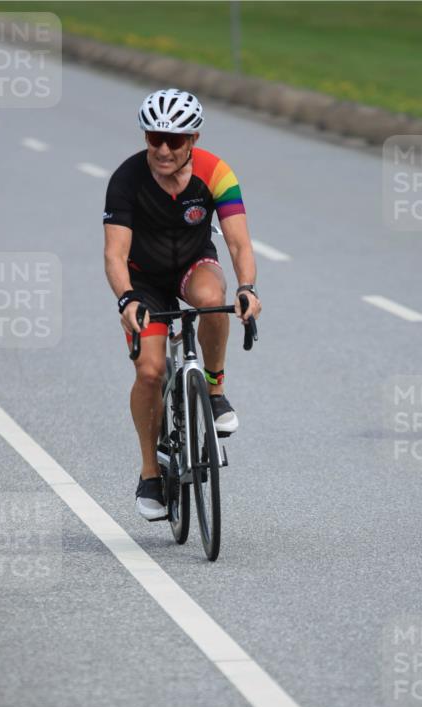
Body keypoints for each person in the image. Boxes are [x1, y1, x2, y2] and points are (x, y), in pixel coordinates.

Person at [103, 88, 262, 520]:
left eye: (175, 139)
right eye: (155, 138)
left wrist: (247, 286)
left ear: (193, 138)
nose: (165, 149)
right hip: (144, 280)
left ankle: (214, 390)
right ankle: (151, 472)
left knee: (213, 300)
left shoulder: (216, 173)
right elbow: (115, 255)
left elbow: (238, 242)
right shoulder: (126, 179)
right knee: (150, 370)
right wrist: (126, 298)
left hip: (194, 263)